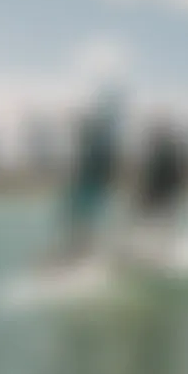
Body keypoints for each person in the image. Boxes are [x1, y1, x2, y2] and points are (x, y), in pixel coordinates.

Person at [57, 94, 120, 262]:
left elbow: (107, 169)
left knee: (83, 221)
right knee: (75, 220)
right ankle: (77, 251)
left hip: (91, 189)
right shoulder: (92, 145)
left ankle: (83, 252)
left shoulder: (99, 145)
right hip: (85, 188)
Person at [133, 119, 188, 261]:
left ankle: (157, 258)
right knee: (149, 229)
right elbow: (148, 179)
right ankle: (151, 256)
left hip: (161, 200)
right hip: (154, 200)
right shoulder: (157, 155)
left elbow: (176, 178)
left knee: (157, 231)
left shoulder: (168, 155)